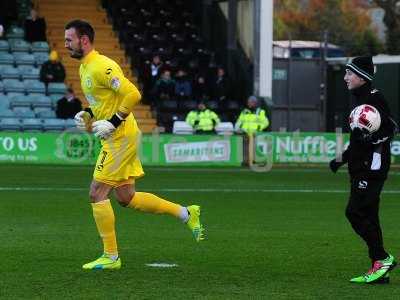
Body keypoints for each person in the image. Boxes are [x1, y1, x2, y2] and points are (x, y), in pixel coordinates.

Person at [65, 19, 204, 270]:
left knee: (96, 193)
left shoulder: (102, 66)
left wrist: (114, 122)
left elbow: (132, 94)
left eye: (69, 40)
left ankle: (111, 257)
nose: (66, 44)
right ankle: (186, 213)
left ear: (83, 40)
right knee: (126, 197)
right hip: (120, 135)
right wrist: (87, 114)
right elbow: (103, 102)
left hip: (121, 137)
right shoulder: (85, 68)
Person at [329, 56, 398, 284]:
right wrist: (341, 159)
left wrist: (369, 136)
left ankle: (382, 257)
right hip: (361, 168)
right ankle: (379, 270)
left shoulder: (375, 98)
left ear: (361, 76)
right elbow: (357, 141)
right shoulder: (359, 101)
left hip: (372, 168)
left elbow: (391, 129)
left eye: (350, 73)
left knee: (355, 212)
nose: (346, 78)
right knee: (369, 215)